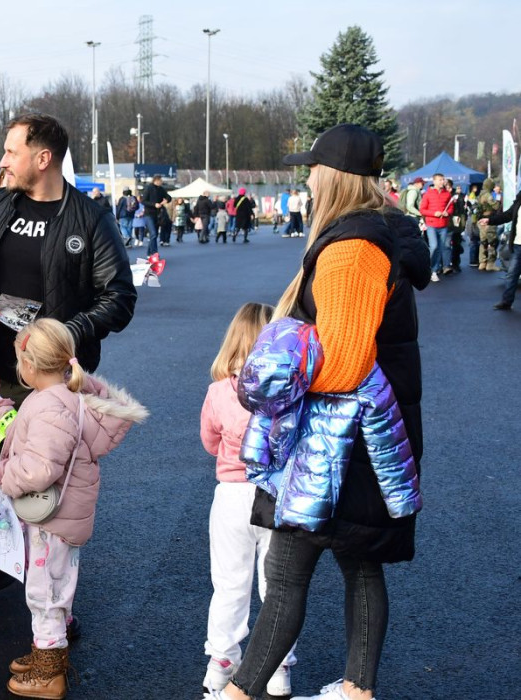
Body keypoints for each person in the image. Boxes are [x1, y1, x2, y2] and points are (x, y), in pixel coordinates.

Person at [208, 123, 429, 700]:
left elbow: (345, 364)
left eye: (312, 168)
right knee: (358, 564)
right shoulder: (368, 236)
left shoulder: (352, 249)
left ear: (334, 176)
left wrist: (278, 378)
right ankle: (356, 690)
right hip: (359, 438)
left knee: (286, 574)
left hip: (338, 444)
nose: (306, 179)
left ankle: (240, 692)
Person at [0, 112, 136, 610]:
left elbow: (119, 296)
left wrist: (64, 334)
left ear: (43, 158)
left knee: (49, 486)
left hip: (54, 382)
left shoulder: (89, 219)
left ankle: (50, 594)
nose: (3, 161)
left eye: (12, 152)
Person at [0, 318, 146, 698]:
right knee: (55, 585)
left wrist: (2, 475)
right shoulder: (66, 398)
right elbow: (23, 436)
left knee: (45, 594)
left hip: (50, 520)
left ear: (29, 365)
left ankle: (49, 673)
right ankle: (48, 649)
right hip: (62, 516)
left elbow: (38, 468)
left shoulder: (48, 406)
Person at [200, 302, 295, 698]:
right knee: (278, 586)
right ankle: (278, 667)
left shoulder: (219, 392)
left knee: (229, 584)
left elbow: (210, 442)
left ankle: (221, 663)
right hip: (278, 495)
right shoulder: (289, 390)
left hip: (232, 495)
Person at [483, 186, 521, 310]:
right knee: (512, 274)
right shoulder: (519, 200)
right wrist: (490, 220)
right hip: (518, 244)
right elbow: (507, 215)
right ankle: (506, 301)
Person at [418, 172, 453, 281]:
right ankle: (427, 267)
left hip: (443, 225)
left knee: (440, 248)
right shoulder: (428, 194)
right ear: (434, 181)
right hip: (431, 224)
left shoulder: (447, 194)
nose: (442, 182)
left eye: (443, 180)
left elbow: (451, 207)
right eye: (440, 180)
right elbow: (422, 210)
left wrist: (448, 212)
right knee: (434, 246)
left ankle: (434, 270)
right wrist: (434, 213)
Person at [141, 174, 172, 255]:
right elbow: (143, 201)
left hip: (157, 215)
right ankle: (155, 253)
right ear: (156, 180)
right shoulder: (149, 188)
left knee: (154, 235)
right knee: (153, 233)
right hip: (148, 214)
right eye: (160, 180)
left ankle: (149, 253)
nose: (161, 182)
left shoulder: (161, 189)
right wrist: (154, 204)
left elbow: (169, 197)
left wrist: (166, 200)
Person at [475, 179, 501, 271]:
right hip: (488, 220)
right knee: (492, 241)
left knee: (483, 242)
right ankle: (491, 264)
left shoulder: (480, 194)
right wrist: (498, 199)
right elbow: (496, 206)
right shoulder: (488, 195)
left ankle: (482, 262)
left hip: (480, 220)